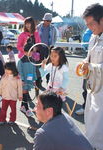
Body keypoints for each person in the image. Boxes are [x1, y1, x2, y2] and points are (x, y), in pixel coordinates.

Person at [82, 4, 103, 149]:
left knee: (99, 122)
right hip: (93, 86)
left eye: (91, 24)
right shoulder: (93, 38)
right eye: (87, 24)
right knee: (90, 117)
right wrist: (85, 62)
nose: (89, 28)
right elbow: (89, 57)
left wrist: (90, 67)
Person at [75, 29, 92, 115]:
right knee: (85, 88)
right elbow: (85, 45)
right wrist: (85, 62)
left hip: (98, 71)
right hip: (88, 68)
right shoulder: (92, 34)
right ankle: (85, 107)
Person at [17, 43, 36, 117]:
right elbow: (19, 71)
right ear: (24, 52)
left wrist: (34, 79)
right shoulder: (21, 61)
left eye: (32, 51)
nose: (31, 53)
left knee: (26, 93)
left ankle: (22, 107)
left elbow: (34, 71)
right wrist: (22, 80)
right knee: (25, 94)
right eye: (29, 51)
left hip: (29, 80)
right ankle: (27, 109)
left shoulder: (32, 60)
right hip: (23, 81)